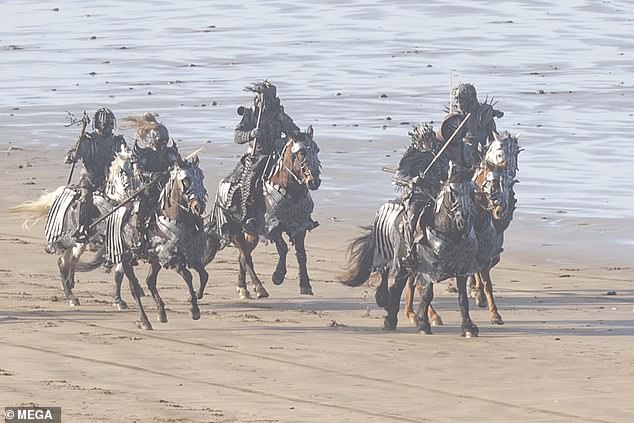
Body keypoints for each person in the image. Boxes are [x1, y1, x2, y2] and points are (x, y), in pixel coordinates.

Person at [231, 80, 300, 232]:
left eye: (268, 99)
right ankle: (248, 214)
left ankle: (301, 213)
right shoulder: (251, 115)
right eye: (262, 99)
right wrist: (251, 134)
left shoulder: (280, 115)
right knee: (251, 180)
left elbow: (294, 130)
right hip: (258, 154)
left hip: (278, 154)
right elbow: (237, 136)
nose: (265, 102)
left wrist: (285, 140)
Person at [64, 108, 126, 241]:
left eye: (109, 125)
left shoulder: (118, 141)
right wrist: (73, 155)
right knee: (85, 198)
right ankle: (81, 228)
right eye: (105, 125)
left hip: (111, 181)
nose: (107, 128)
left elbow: (126, 156)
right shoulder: (87, 140)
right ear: (98, 125)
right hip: (90, 179)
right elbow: (69, 156)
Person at [125, 113, 182, 255]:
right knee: (141, 207)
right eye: (160, 141)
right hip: (148, 188)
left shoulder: (169, 153)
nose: (162, 144)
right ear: (152, 140)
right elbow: (137, 172)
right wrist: (152, 175)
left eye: (164, 141)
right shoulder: (144, 154)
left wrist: (174, 170)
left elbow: (177, 165)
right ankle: (139, 236)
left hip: (167, 187)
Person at [394, 122, 446, 264]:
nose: (428, 144)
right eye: (425, 141)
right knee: (412, 218)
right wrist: (412, 180)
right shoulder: (411, 156)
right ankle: (410, 250)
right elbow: (399, 176)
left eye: (430, 140)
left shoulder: (436, 156)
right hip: (417, 196)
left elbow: (444, 174)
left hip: (435, 195)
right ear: (419, 141)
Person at [439, 83, 504, 166]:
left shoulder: (483, 114)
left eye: (462, 100)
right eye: (458, 100)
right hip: (459, 155)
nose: (459, 104)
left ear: (470, 99)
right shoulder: (455, 117)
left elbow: (493, 138)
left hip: (480, 153)